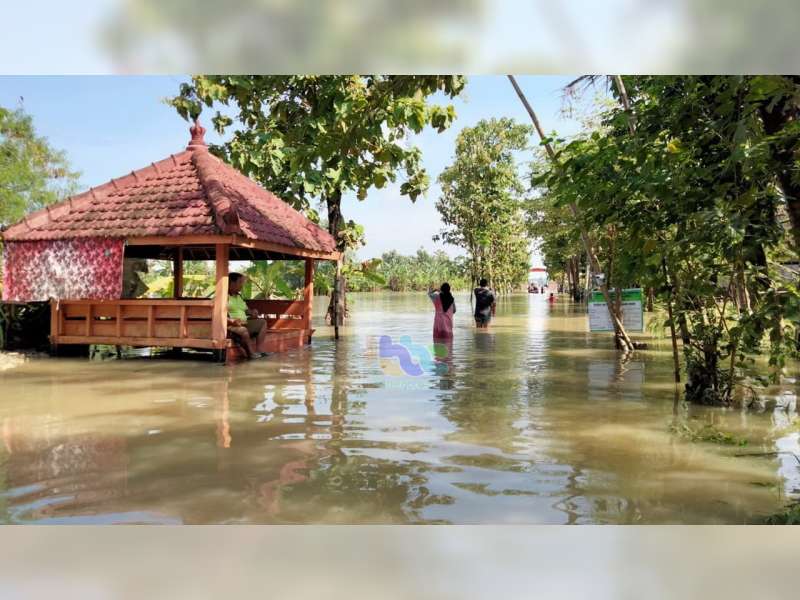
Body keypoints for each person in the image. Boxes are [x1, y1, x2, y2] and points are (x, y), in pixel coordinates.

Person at [227, 272, 267, 359]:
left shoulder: (239, 296)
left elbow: (246, 310)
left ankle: (259, 349)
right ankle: (251, 354)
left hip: (244, 322)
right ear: (232, 283)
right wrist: (231, 321)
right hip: (231, 325)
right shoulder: (224, 297)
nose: (242, 285)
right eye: (240, 282)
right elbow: (218, 314)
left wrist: (253, 312)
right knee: (243, 330)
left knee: (262, 322)